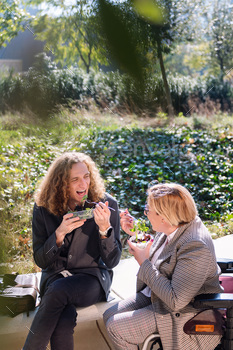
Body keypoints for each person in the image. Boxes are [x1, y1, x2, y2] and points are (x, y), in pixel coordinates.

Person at [103, 182, 223, 350]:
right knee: (109, 314)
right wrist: (136, 233)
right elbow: (166, 249)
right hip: (159, 295)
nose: (145, 213)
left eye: (148, 210)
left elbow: (176, 301)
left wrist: (143, 262)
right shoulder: (176, 223)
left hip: (184, 310)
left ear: (164, 217)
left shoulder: (195, 246)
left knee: (117, 328)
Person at [23, 152, 122, 350]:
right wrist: (58, 235)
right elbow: (41, 260)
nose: (83, 184)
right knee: (62, 320)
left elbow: (112, 261)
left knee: (58, 291)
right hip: (56, 277)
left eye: (86, 176)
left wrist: (105, 230)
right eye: (74, 179)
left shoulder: (107, 205)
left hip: (91, 279)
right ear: (60, 183)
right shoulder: (43, 208)